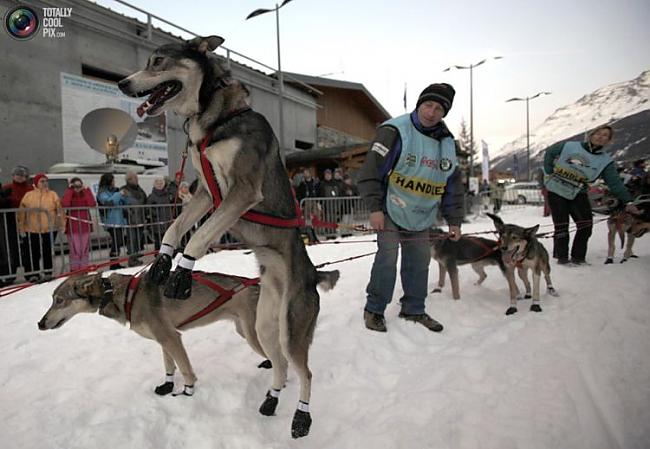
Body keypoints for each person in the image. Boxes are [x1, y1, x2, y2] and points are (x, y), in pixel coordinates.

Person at [358, 83, 463, 332]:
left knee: (419, 261)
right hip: (390, 208)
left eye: (439, 108)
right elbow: (370, 172)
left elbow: (452, 185)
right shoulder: (395, 131)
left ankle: (414, 309)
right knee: (388, 256)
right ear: (419, 104)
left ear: (444, 113)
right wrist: (374, 208)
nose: (431, 112)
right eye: (428, 105)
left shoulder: (447, 143)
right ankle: (374, 309)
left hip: (422, 213)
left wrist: (455, 220)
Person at [544, 125, 640, 265]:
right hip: (556, 189)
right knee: (562, 225)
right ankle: (562, 258)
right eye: (598, 133)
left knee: (585, 225)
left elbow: (614, 183)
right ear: (591, 135)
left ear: (608, 140)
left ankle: (578, 258)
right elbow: (550, 152)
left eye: (605, 135)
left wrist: (628, 202)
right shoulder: (570, 146)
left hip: (578, 192)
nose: (600, 137)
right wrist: (549, 170)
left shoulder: (605, 160)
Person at [17, 173, 65, 281]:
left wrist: (62, 224)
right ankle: (33, 274)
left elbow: (60, 210)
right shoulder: (28, 195)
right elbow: (21, 213)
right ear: (36, 183)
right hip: (32, 229)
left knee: (47, 251)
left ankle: (48, 272)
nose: (44, 183)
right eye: (42, 181)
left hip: (49, 229)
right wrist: (21, 227)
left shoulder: (53, 194)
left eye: (46, 181)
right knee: (34, 252)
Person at [0, 165, 33, 283]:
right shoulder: (7, 188)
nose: (20, 177)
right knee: (11, 249)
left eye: (22, 175)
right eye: (17, 175)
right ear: (13, 176)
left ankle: (30, 273)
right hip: (10, 222)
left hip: (28, 222)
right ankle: (10, 275)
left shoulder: (30, 189)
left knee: (28, 248)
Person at [61, 177, 97, 271]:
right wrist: (70, 190)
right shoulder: (69, 194)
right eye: (75, 186)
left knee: (84, 250)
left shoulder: (84, 194)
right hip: (73, 228)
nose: (77, 188)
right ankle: (75, 269)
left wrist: (86, 190)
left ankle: (84, 268)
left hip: (85, 227)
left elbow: (92, 203)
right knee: (75, 251)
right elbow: (65, 204)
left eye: (79, 186)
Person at [97, 173, 128, 270]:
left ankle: (116, 262)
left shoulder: (115, 191)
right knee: (116, 241)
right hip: (110, 221)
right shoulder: (102, 193)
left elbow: (123, 201)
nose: (114, 182)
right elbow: (109, 202)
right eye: (113, 180)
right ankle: (113, 263)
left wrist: (124, 196)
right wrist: (119, 194)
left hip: (119, 220)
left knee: (118, 242)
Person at [121, 170, 148, 266]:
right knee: (132, 239)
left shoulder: (140, 190)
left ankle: (136, 257)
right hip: (130, 219)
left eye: (137, 178)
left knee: (138, 239)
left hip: (140, 218)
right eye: (134, 178)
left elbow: (145, 201)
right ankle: (132, 259)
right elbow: (121, 204)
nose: (137, 180)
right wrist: (127, 212)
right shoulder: (124, 190)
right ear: (129, 179)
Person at [147, 177, 175, 250]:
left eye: (161, 183)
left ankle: (166, 253)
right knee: (158, 240)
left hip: (167, 221)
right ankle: (157, 254)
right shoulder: (151, 196)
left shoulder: (167, 194)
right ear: (154, 185)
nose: (159, 185)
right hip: (157, 221)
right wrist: (155, 213)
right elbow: (148, 208)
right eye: (157, 183)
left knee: (167, 239)